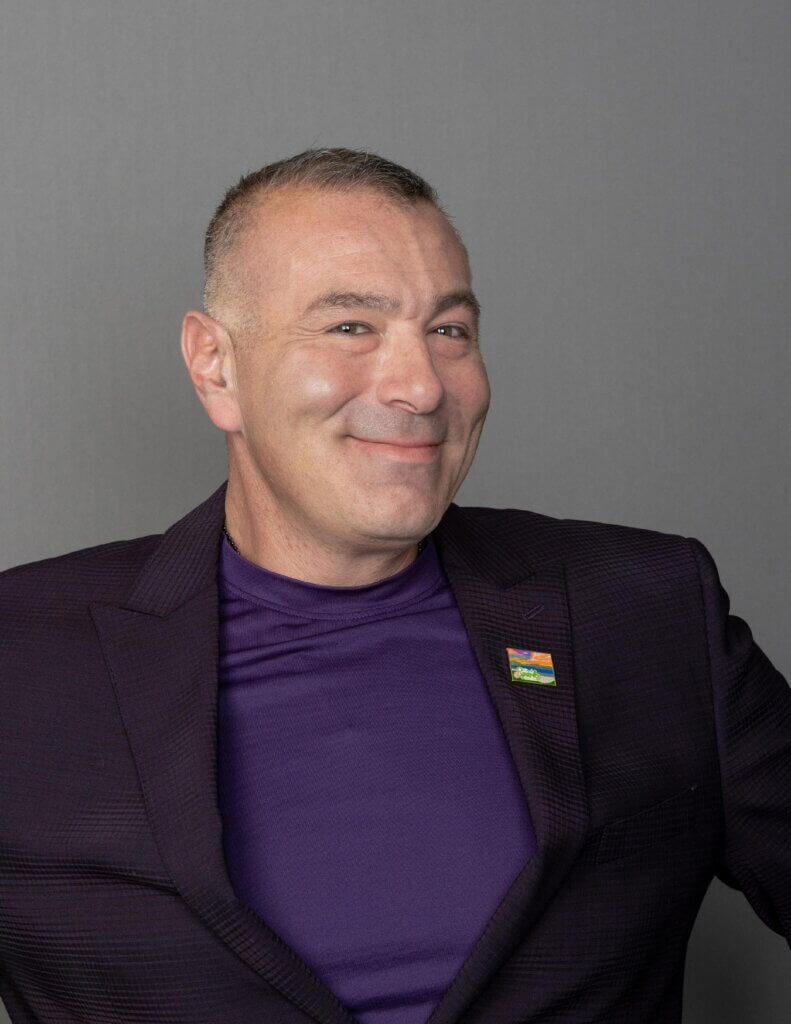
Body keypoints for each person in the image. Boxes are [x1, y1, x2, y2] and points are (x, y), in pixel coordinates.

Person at [0, 147, 788, 1024]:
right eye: (350, 327)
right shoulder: (21, 654)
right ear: (215, 365)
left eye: (448, 331)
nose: (420, 387)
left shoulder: (646, 610)